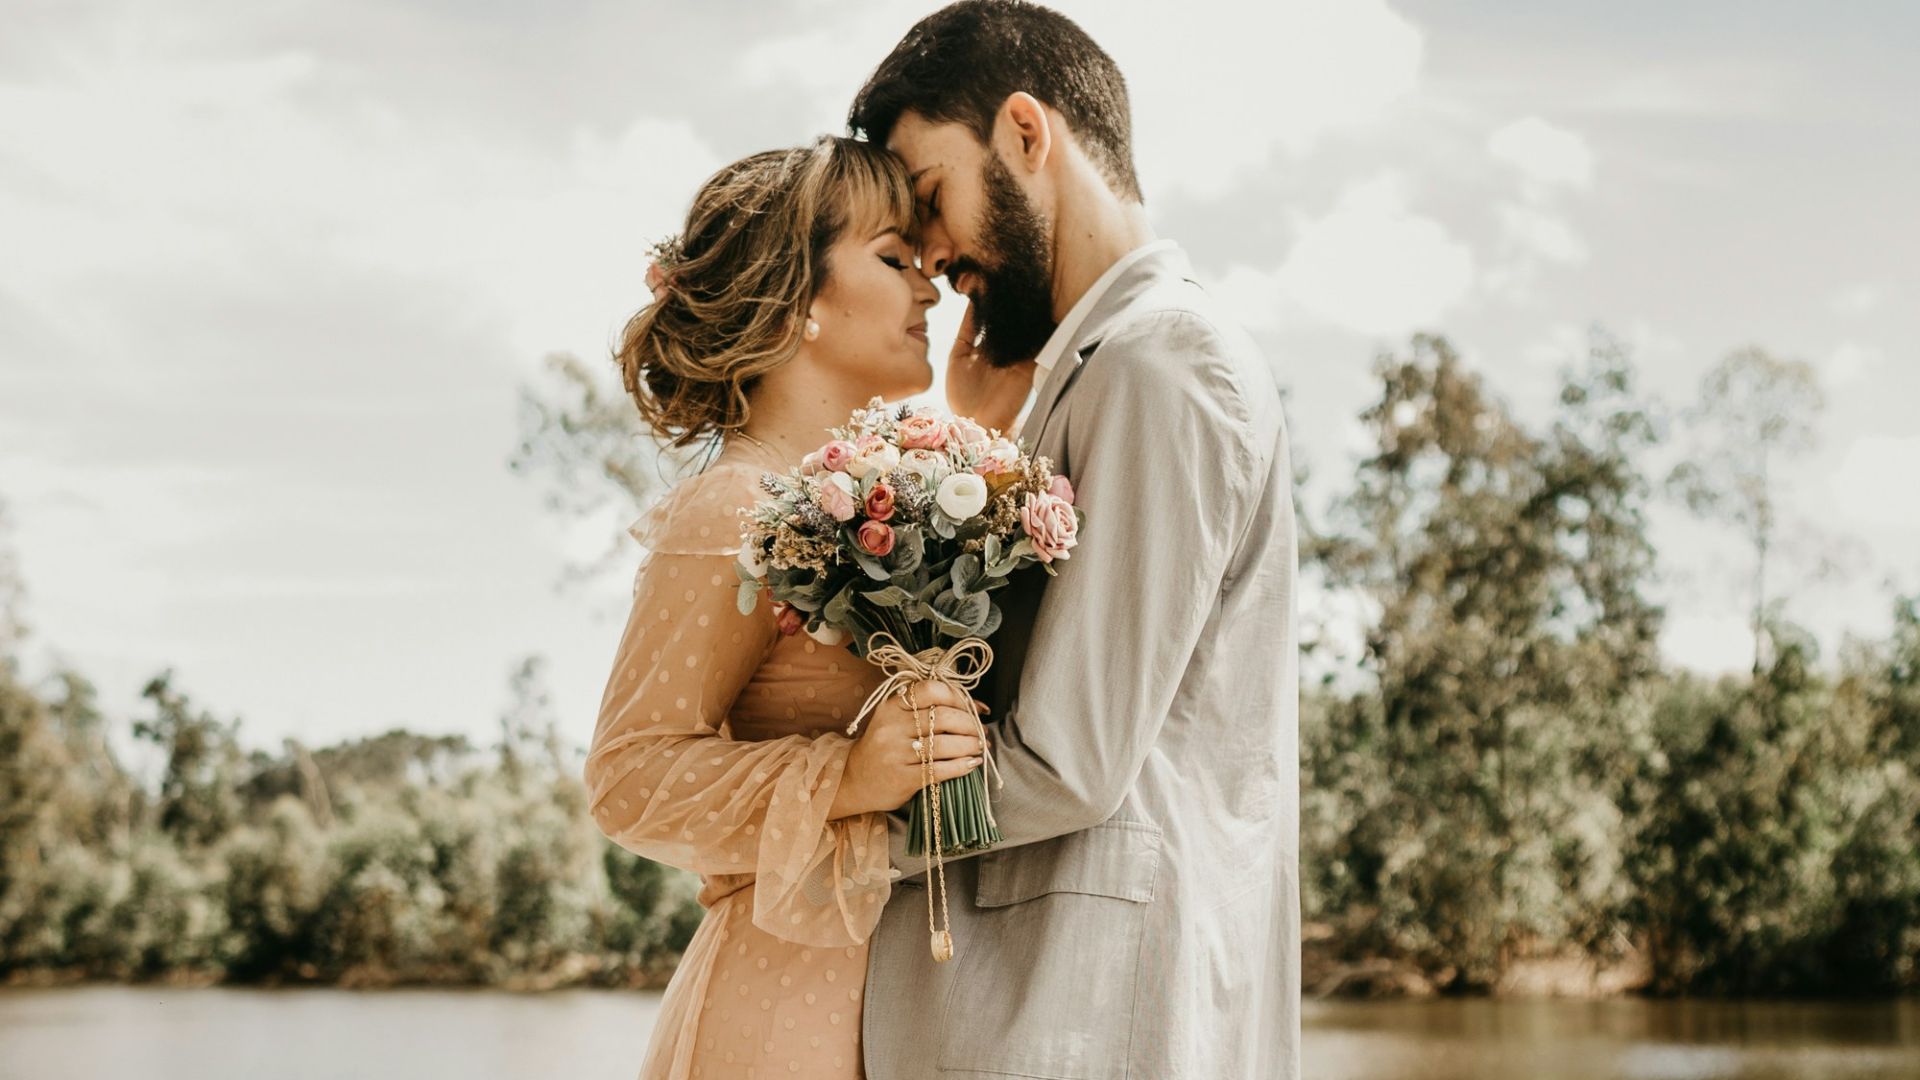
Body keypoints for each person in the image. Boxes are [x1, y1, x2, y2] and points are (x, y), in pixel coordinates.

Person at [847, 3, 1302, 1078]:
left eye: (930, 197)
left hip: (1084, 1018)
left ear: (1025, 132)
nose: (931, 257)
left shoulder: (1161, 365)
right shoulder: (1096, 371)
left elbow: (1067, 762)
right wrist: (981, 441)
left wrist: (840, 842)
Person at [583, 135, 990, 1080]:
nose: (930, 290)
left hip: (910, 1009)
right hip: (782, 1014)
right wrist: (846, 775)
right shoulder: (732, 509)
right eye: (894, 258)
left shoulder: (899, 505)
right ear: (797, 299)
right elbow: (627, 778)